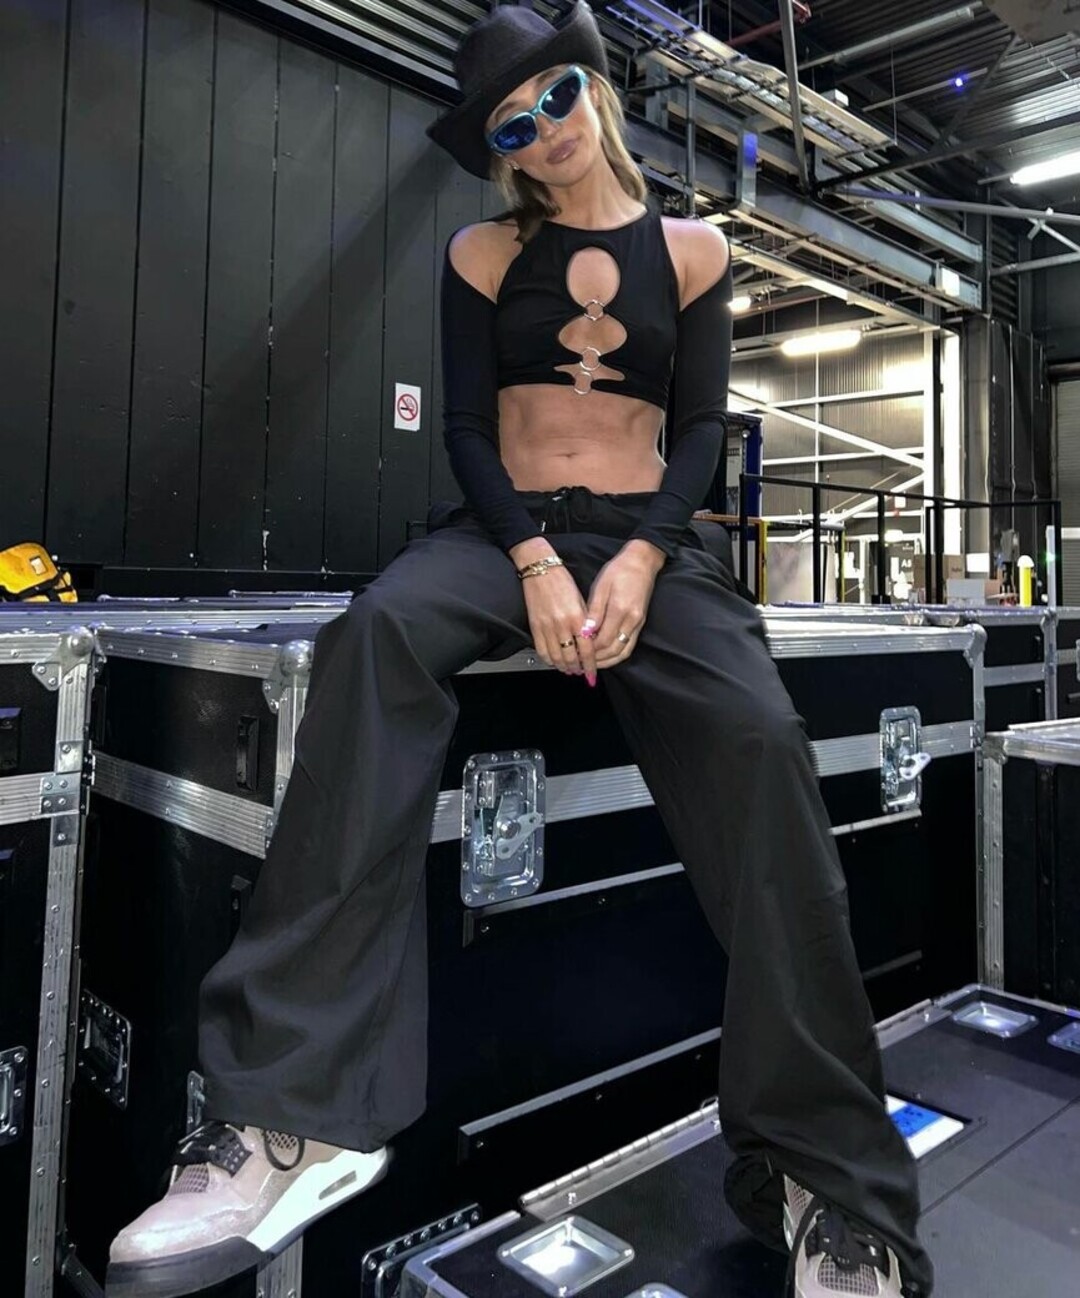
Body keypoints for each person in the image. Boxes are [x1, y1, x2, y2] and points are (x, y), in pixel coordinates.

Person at [104, 4, 933, 1297]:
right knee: (375, 637)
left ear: (592, 85)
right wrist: (537, 560)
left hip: (653, 540)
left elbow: (700, 432)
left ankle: (826, 1174)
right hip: (507, 534)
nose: (540, 131)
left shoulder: (696, 250)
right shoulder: (482, 252)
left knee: (765, 744)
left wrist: (644, 556)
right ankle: (292, 1115)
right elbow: (467, 433)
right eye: (509, 125)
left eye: (551, 98)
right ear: (494, 150)